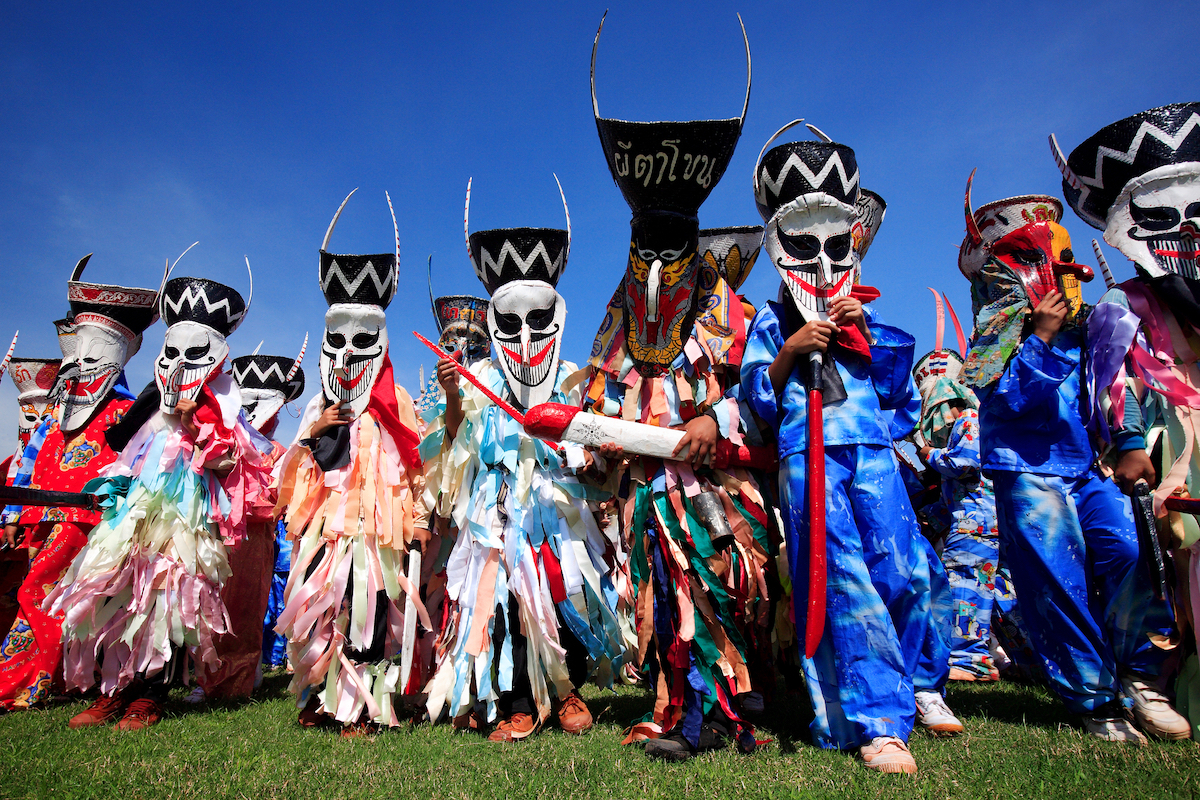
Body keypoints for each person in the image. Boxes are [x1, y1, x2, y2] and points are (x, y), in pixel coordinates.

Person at [585, 16, 775, 762]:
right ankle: (683, 714)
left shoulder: (733, 312)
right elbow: (600, 393)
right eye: (645, 249)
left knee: (724, 589)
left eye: (675, 249)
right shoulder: (616, 315)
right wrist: (591, 442)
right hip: (647, 490)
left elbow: (760, 386)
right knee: (664, 599)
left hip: (717, 487)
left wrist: (716, 417)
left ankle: (731, 712)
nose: (660, 268)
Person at [741, 131, 958, 775]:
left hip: (870, 451)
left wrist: (865, 339)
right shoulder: (769, 322)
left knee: (907, 564)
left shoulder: (866, 314)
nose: (820, 259)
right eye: (803, 245)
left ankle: (922, 682)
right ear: (781, 249)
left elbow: (902, 403)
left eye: (834, 244)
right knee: (838, 576)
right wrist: (788, 351)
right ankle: (876, 720)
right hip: (806, 456)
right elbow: (755, 399)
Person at [960, 170, 1186, 744]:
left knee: (1131, 550)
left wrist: (1130, 441)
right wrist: (1037, 337)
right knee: (1056, 579)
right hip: (1027, 470)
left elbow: (1117, 385)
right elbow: (1007, 398)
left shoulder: (1091, 328)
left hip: (1088, 467)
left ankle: (1140, 677)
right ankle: (1095, 699)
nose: (1066, 269)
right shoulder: (998, 328)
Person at [420, 179, 622, 742]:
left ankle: (565, 690)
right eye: (510, 322)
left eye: (539, 319)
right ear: (492, 323)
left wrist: (591, 458)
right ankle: (516, 702)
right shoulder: (479, 376)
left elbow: (584, 444)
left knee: (561, 590)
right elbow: (458, 443)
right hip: (494, 507)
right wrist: (457, 396)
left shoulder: (567, 377)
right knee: (504, 599)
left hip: (552, 505)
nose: (526, 336)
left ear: (556, 317)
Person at [48, 257, 271, 731]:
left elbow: (231, 462)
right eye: (170, 353)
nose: (176, 367)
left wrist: (196, 425)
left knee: (168, 596)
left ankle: (149, 696)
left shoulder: (225, 402)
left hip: (186, 517)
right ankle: (113, 691)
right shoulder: (152, 397)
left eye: (193, 355)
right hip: (136, 507)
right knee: (120, 585)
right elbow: (117, 440)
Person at [1054, 103, 1200, 740]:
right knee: (1161, 557)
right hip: (1163, 446)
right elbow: (1111, 378)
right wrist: (1130, 440)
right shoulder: (1122, 303)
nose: (1186, 231)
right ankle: (1150, 678)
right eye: (1165, 217)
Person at [272, 191, 426, 734]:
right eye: (339, 339)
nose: (350, 353)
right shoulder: (317, 404)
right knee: (323, 612)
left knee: (369, 611)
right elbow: (287, 476)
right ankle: (323, 695)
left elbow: (414, 463)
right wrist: (312, 435)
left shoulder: (399, 400)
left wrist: (415, 522)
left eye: (364, 340)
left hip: (376, 534)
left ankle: (363, 704)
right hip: (327, 530)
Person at [0, 257, 156, 711]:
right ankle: (57, 678)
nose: (81, 368)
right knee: (38, 592)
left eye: (93, 358)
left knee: (42, 592)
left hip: (89, 520)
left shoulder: (124, 415)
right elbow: (28, 463)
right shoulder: (54, 416)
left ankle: (31, 682)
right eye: (76, 358)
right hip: (41, 516)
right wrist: (13, 514)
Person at [187, 340, 307, 701]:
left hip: (255, 539)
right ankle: (204, 675)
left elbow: (283, 500)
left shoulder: (280, 453)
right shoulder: (222, 440)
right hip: (212, 532)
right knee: (208, 603)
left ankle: (240, 675)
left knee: (244, 606)